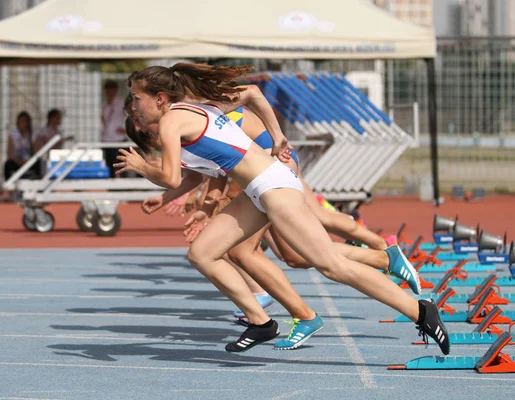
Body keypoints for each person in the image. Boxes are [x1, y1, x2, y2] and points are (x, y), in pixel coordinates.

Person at [115, 63, 450, 356]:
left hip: (273, 186)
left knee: (331, 267)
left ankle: (420, 310)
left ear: (159, 98)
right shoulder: (196, 107)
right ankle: (261, 322)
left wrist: (142, 167)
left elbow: (171, 176)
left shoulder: (173, 119)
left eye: (136, 98)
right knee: (203, 254)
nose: (133, 106)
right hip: (257, 191)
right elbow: (249, 102)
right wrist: (276, 138)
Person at [101, 80, 127, 178]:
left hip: (118, 139)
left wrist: (126, 129)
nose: (109, 92)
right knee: (109, 165)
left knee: (121, 164)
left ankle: (122, 186)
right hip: (107, 138)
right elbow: (104, 119)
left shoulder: (121, 103)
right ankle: (112, 186)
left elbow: (130, 116)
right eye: (107, 90)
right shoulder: (105, 104)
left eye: (111, 90)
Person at [4, 111, 39, 181]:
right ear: (18, 122)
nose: (24, 124)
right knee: (7, 165)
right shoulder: (12, 134)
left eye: (26, 121)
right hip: (16, 161)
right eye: (22, 121)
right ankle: (9, 185)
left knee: (39, 164)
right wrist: (19, 161)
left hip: (29, 161)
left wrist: (27, 161)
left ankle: (37, 183)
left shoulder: (33, 134)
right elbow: (9, 153)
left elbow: (37, 152)